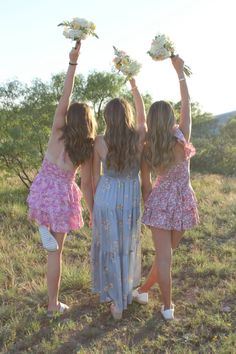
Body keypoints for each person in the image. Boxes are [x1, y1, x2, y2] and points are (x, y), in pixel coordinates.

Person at [27, 42, 96, 316]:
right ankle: (53, 304)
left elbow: (64, 96)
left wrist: (73, 63)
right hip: (64, 194)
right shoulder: (86, 148)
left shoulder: (57, 129)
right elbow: (88, 182)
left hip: (45, 187)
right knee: (56, 254)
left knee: (50, 247)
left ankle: (43, 226)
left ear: (68, 118)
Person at [138, 56, 199, 320]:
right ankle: (167, 307)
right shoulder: (181, 136)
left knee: (165, 256)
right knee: (166, 257)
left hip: (160, 199)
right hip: (182, 198)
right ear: (172, 118)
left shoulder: (148, 145)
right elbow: (187, 104)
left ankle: (142, 291)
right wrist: (180, 73)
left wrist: (148, 201)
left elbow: (145, 182)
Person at [91, 78, 146, 320]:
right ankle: (125, 293)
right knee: (126, 246)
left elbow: (92, 176)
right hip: (129, 196)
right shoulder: (138, 136)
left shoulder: (100, 141)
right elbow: (143, 116)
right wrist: (134, 86)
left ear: (107, 118)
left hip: (106, 195)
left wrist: (91, 207)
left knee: (110, 247)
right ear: (127, 115)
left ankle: (117, 301)